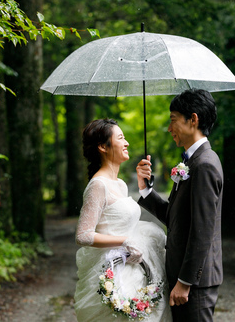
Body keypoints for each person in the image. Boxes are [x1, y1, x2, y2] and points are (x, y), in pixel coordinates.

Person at [136, 89, 224, 321]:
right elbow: (178, 219)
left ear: (193, 119)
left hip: (194, 282)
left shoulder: (204, 164)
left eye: (173, 120)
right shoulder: (192, 161)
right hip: (184, 279)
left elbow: (202, 231)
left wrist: (185, 282)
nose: (169, 128)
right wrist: (146, 190)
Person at [74, 118, 172, 322]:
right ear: (102, 147)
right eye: (120, 138)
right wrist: (124, 241)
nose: (126, 142)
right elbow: (83, 235)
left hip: (135, 267)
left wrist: (142, 181)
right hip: (112, 271)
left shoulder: (119, 184)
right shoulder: (98, 185)